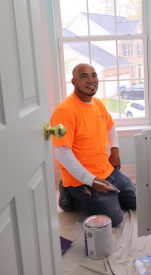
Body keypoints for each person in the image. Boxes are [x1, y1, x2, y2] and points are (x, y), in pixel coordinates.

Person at [50, 63, 136, 227]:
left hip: (107, 171)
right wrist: (89, 180)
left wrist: (115, 151)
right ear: (73, 82)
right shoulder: (64, 111)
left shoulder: (97, 104)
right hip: (82, 180)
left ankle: (107, 198)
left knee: (135, 202)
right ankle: (69, 195)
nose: (91, 80)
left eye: (94, 75)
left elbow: (110, 126)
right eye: (84, 76)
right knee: (114, 220)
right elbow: (61, 152)